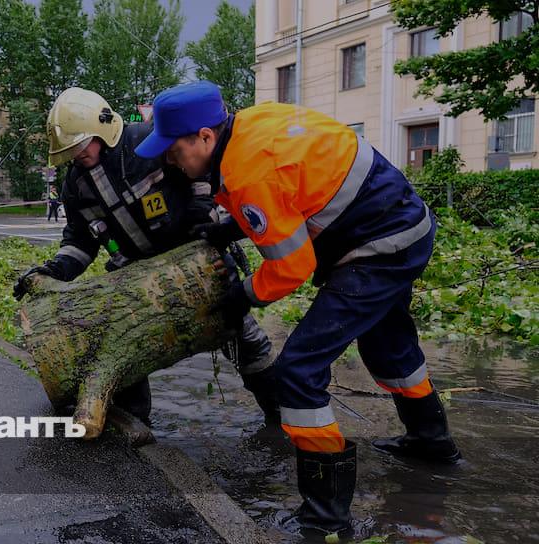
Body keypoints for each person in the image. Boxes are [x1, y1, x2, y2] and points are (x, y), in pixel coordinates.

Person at [135, 80, 461, 537]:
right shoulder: (250, 124)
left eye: (174, 150)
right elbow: (290, 191)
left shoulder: (249, 172)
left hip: (380, 246)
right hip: (402, 225)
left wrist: (243, 295)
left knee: (298, 371)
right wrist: (232, 228)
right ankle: (432, 442)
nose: (171, 161)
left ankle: (325, 516)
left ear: (205, 137)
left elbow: (292, 267)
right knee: (389, 347)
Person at [13, 87, 276, 426]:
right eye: (70, 151)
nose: (77, 155)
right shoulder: (76, 186)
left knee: (246, 339)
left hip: (195, 267)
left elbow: (201, 165)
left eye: (81, 146)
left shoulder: (146, 143)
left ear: (102, 127)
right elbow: (79, 241)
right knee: (122, 354)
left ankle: (281, 414)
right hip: (136, 286)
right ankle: (134, 433)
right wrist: (54, 271)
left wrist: (204, 208)